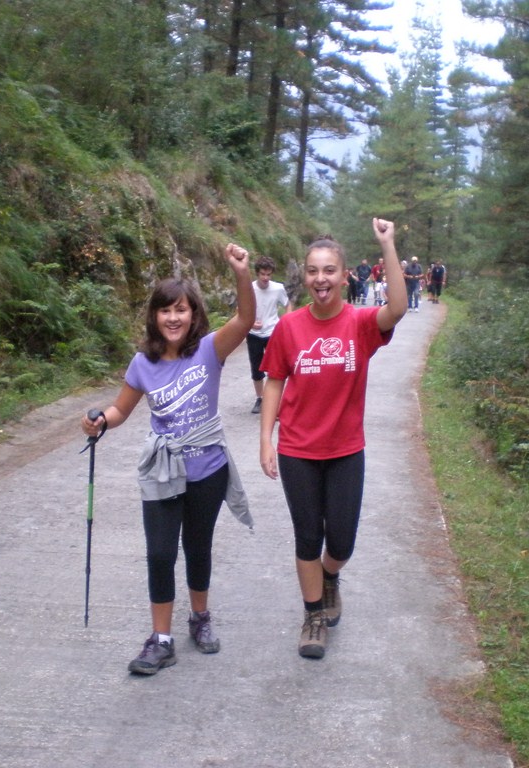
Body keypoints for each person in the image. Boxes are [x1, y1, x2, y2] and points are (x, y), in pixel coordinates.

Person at [81, 244, 256, 676]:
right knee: (160, 554)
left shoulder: (210, 350)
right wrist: (101, 421)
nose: (173, 318)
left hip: (207, 469)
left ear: (194, 315)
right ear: (154, 316)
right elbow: (121, 410)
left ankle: (200, 617)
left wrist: (241, 273)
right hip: (163, 469)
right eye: (165, 311)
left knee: (198, 548)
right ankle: (161, 640)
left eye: (181, 310)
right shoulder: (143, 363)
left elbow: (246, 319)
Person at [258, 219, 407, 659]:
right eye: (312, 271)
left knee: (340, 543)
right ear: (304, 277)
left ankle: (329, 576)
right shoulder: (289, 327)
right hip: (297, 450)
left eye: (329, 270)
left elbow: (397, 308)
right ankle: (313, 617)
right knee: (307, 536)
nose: (320, 279)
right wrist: (266, 438)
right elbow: (274, 381)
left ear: (344, 276)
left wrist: (387, 244)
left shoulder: (360, 323)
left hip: (345, 450)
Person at [246, 256, 293, 414]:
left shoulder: (278, 288)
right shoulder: (249, 288)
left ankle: (276, 400)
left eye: (268, 274)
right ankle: (260, 399)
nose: (265, 278)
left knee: (276, 367)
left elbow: (287, 304)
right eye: (262, 274)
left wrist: (285, 322)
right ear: (257, 273)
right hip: (254, 333)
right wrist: (251, 323)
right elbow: (241, 310)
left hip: (273, 332)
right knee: (256, 368)